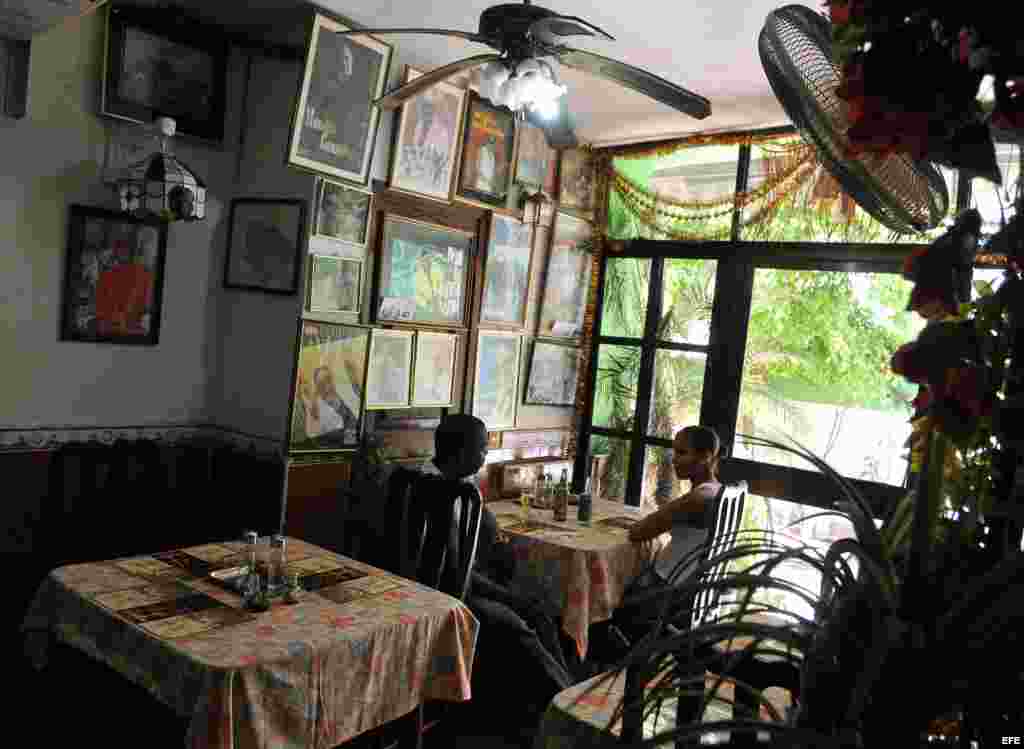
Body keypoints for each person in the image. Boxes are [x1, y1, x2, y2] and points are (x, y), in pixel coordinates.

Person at [424, 415, 573, 726]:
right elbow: (455, 572)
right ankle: (567, 707)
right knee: (519, 626)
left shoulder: (457, 485)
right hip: (452, 594)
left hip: (473, 583)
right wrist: (507, 596)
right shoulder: (436, 492)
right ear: (460, 451)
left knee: (540, 612)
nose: (485, 456)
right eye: (481, 449)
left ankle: (566, 695)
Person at [600, 425, 723, 647]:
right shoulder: (716, 490)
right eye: (674, 452)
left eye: (682, 453)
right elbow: (662, 523)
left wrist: (638, 524)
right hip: (696, 588)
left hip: (669, 591)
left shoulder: (699, 498)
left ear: (705, 457)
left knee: (605, 598)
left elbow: (639, 532)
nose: (674, 460)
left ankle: (606, 665)